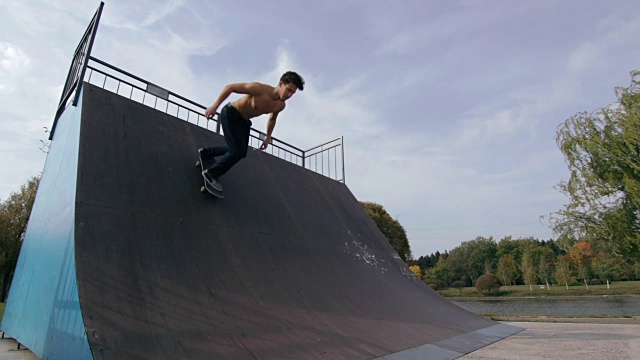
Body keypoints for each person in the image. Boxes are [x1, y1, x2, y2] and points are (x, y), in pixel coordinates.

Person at [199, 71, 304, 191]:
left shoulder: (280, 105)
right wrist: (214, 107)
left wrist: (268, 137)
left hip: (244, 122)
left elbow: (273, 118)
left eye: (292, 93)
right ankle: (211, 174)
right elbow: (230, 87)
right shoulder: (259, 89)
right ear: (281, 84)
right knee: (237, 151)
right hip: (231, 114)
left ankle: (206, 153)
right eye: (288, 90)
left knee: (241, 152)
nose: (289, 95)